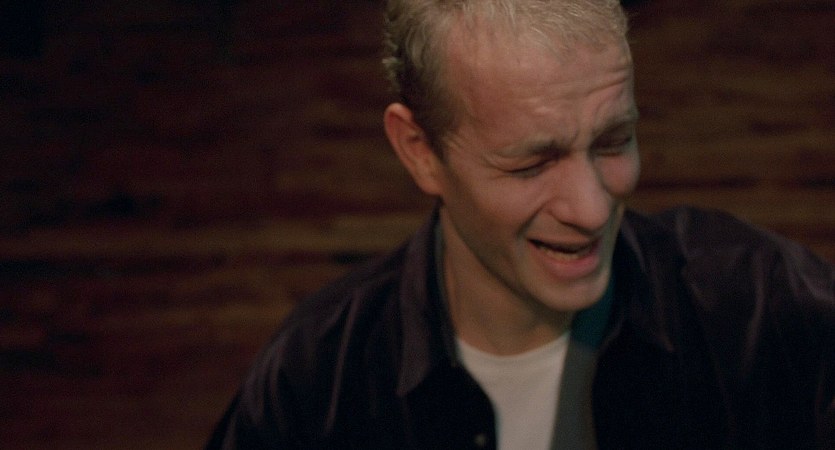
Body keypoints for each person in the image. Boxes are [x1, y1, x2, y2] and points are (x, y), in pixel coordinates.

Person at [207, 0, 835, 448]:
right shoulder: (315, 382)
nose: (592, 209)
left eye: (613, 141)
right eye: (533, 164)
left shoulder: (768, 309)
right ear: (419, 151)